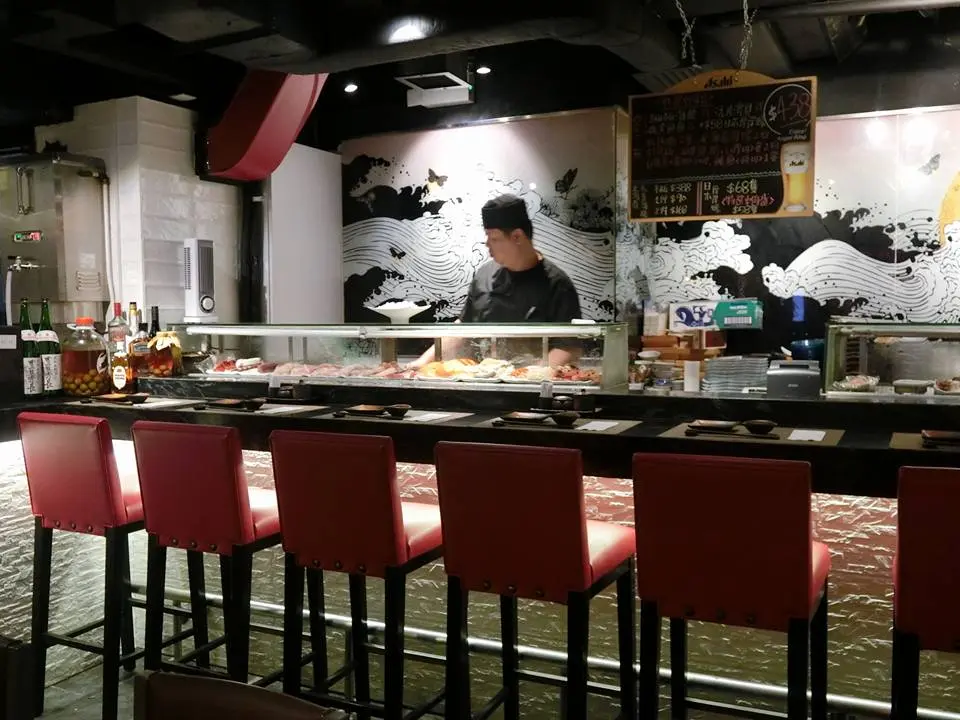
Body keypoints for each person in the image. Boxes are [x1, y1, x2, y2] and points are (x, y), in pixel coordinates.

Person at [409, 194, 582, 368]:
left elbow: (568, 347)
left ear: (517, 237)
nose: (487, 244)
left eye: (494, 238)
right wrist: (423, 362)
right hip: (481, 378)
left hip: (530, 382)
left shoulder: (557, 285)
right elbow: (463, 326)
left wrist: (527, 374)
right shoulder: (484, 275)